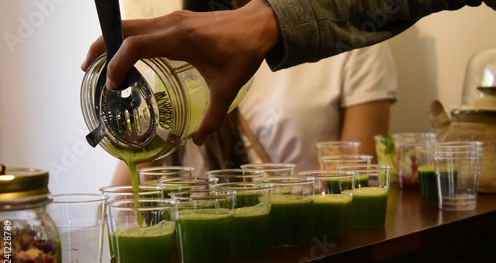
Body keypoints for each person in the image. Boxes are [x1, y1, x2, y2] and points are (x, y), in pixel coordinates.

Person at [81, 0, 495, 147]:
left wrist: (268, 21)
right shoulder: (177, 49)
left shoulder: (356, 46)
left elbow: (358, 178)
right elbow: (126, 195)